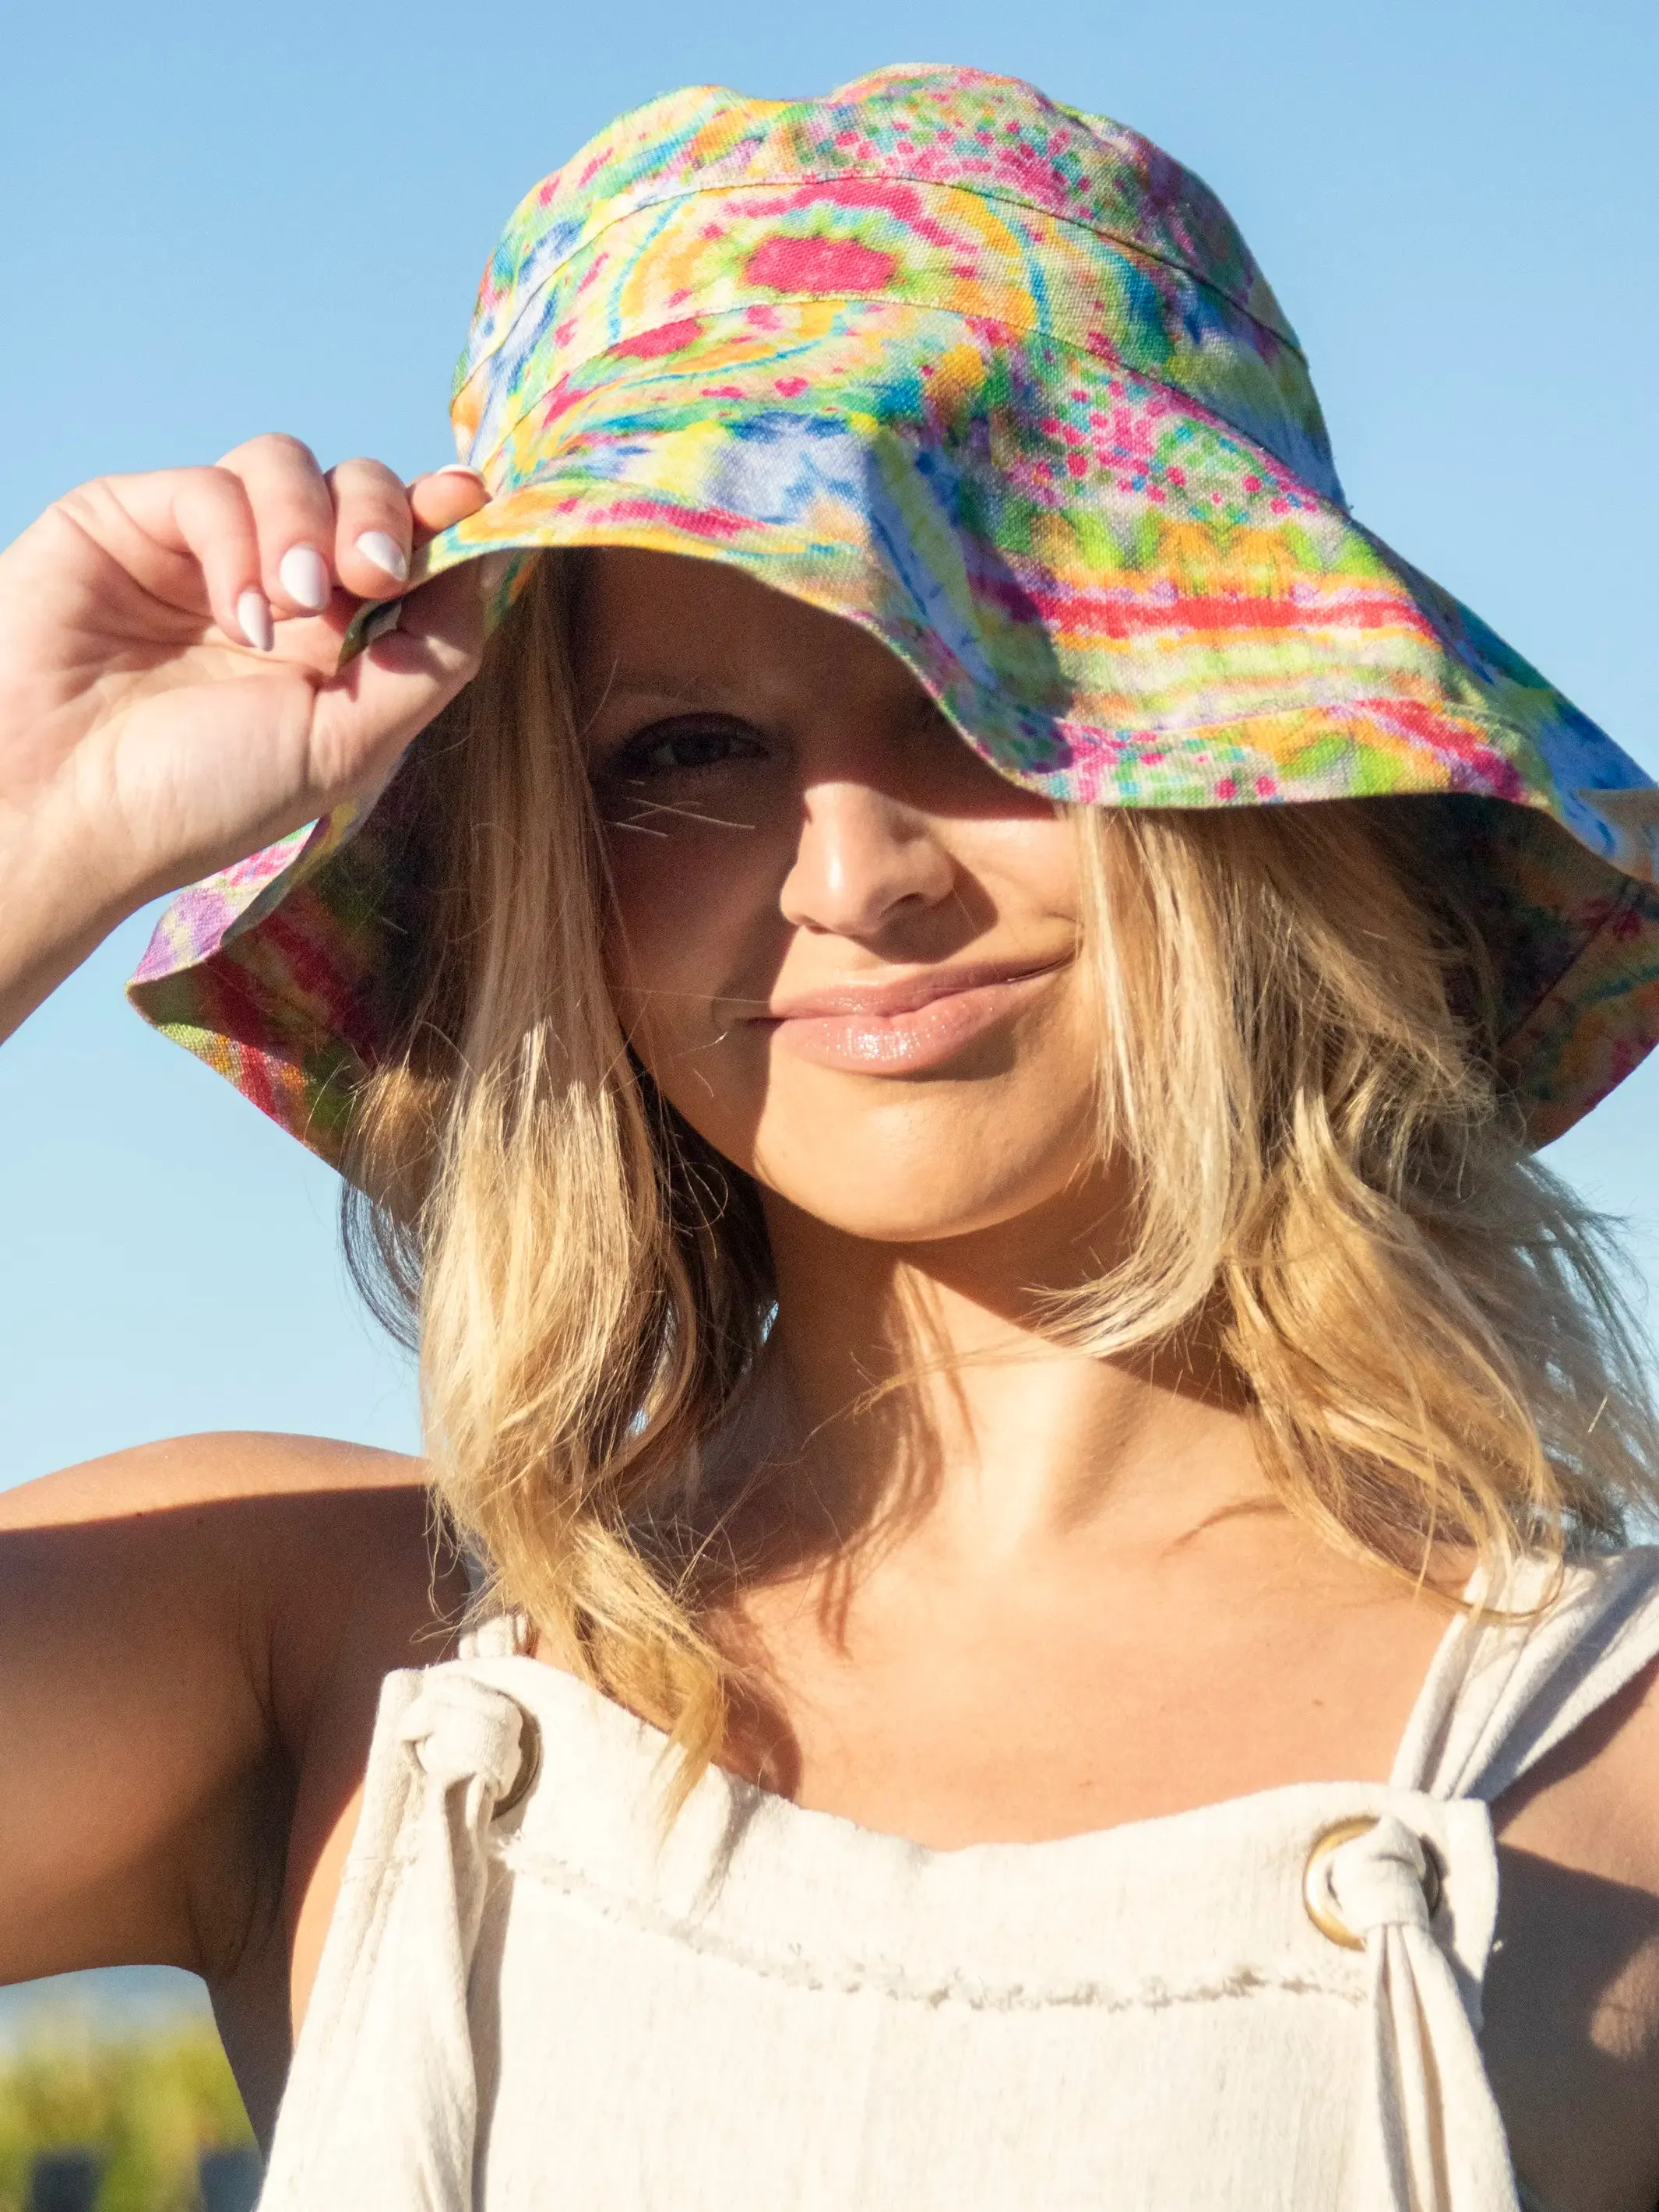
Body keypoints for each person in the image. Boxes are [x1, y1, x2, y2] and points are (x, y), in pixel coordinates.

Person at [2, 60, 1659, 2212]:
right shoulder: (332, 1645)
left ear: (1260, 785)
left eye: (989, 706)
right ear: (554, 885)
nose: (855, 872)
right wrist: (26, 834)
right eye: (689, 747)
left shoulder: (1610, 1750)